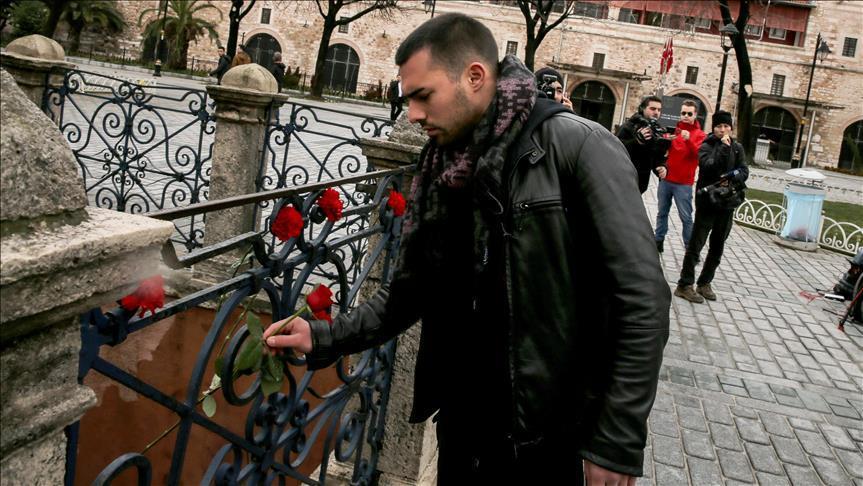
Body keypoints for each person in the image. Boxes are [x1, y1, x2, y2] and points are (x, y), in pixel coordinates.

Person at [264, 13, 669, 485]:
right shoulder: (444, 161)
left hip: (548, 440)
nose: (413, 114)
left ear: (474, 76)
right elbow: (411, 289)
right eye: (408, 99)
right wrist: (325, 336)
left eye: (423, 95)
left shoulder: (578, 145)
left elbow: (643, 298)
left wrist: (616, 442)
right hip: (462, 429)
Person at [675, 110, 748, 303]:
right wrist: (723, 149)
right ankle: (684, 284)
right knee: (696, 244)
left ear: (731, 128)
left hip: (727, 203)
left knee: (718, 246)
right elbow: (709, 166)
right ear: (714, 128)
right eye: (719, 126)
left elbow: (744, 170)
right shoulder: (706, 145)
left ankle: (705, 282)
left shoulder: (737, 148)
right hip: (708, 202)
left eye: (726, 126)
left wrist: (730, 178)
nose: (723, 130)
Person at [654, 99, 705, 253]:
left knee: (686, 217)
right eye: (683, 113)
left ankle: (690, 247)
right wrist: (665, 141)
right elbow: (662, 151)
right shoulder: (674, 130)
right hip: (666, 180)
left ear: (695, 115)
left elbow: (698, 155)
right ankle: (658, 240)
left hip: (684, 183)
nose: (686, 116)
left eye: (689, 113)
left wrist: (688, 140)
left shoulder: (700, 135)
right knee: (662, 212)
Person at [617, 96, 670, 194]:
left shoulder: (656, 129)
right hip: (621, 181)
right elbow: (616, 149)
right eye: (653, 109)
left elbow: (657, 155)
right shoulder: (629, 126)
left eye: (659, 110)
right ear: (642, 109)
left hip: (640, 185)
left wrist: (662, 167)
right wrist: (636, 141)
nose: (656, 112)